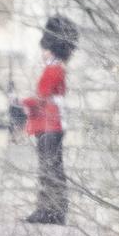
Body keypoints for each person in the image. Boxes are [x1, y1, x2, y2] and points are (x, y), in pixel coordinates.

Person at [19, 15, 78, 225]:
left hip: (49, 124)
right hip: (51, 124)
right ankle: (51, 210)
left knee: (49, 169)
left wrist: (20, 102)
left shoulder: (53, 71)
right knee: (51, 168)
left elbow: (42, 96)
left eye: (44, 49)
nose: (42, 53)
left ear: (51, 50)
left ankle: (50, 210)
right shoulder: (55, 69)